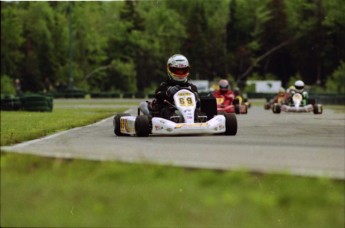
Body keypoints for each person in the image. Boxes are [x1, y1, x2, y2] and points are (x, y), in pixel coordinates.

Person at [139, 54, 199, 118]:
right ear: (169, 70)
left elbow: (198, 104)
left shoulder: (192, 87)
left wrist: (195, 96)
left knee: (200, 109)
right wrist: (167, 93)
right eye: (177, 71)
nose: (180, 73)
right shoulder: (164, 86)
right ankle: (174, 120)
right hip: (168, 114)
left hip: (189, 112)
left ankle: (198, 120)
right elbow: (158, 96)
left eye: (183, 70)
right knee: (165, 110)